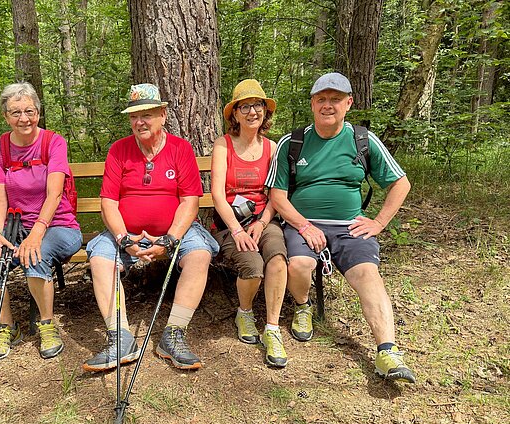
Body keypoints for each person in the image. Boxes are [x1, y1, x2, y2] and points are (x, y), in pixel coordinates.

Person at [267, 72, 416, 383]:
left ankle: (387, 352)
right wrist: (304, 226)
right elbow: (277, 196)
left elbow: (400, 183)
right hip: (302, 224)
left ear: (348, 103)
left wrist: (379, 222)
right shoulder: (293, 142)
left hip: (350, 226)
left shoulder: (362, 140)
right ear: (312, 104)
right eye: (321, 99)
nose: (328, 105)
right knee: (299, 265)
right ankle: (303, 306)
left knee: (367, 274)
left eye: (335, 99)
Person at [82, 83, 218, 372]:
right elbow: (108, 202)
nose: (140, 122)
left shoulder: (180, 149)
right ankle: (120, 338)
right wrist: (123, 239)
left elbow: (190, 201)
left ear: (163, 115)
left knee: (199, 254)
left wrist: (170, 239)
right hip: (125, 233)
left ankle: (173, 335)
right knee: (100, 258)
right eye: (134, 116)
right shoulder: (119, 150)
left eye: (147, 114)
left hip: (175, 231)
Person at [0, 82, 82, 361]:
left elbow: (54, 193)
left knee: (36, 253)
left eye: (29, 111)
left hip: (58, 225)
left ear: (38, 112)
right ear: (5, 116)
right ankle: (6, 327)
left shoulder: (53, 142)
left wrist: (36, 234)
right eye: (16, 112)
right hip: (15, 227)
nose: (24, 118)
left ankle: (47, 324)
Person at [211, 79, 288, 367]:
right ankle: (244, 313)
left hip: (263, 219)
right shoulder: (223, 145)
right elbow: (217, 195)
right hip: (229, 223)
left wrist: (263, 221)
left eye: (257, 105)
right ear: (235, 113)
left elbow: (276, 193)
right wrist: (236, 230)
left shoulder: (272, 148)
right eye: (244, 106)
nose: (252, 112)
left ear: (265, 111)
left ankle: (272, 328)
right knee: (253, 267)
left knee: (277, 258)